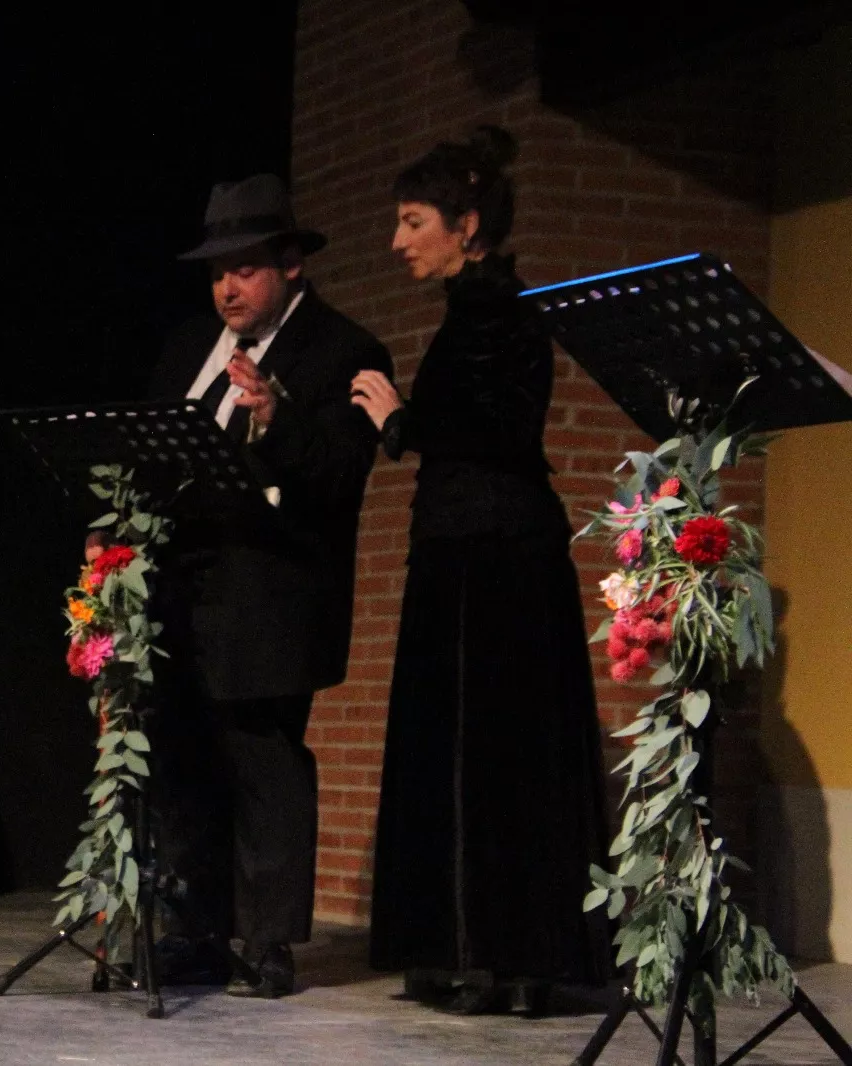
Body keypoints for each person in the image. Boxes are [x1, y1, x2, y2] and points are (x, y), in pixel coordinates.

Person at [350, 127, 609, 1013]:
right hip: (477, 549)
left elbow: (501, 434)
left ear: (465, 225)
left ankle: (501, 953)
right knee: (478, 753)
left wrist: (400, 419)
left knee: (490, 753)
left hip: (492, 559)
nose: (397, 240)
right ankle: (479, 949)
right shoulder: (476, 312)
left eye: (412, 220)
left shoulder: (499, 311)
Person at [138, 174, 392, 997]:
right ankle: (196, 930)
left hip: (271, 593)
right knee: (183, 759)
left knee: (263, 762)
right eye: (216, 272)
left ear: (288, 263)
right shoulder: (187, 349)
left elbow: (344, 473)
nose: (226, 287)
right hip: (183, 588)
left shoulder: (343, 350)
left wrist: (279, 422)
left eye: (243, 268)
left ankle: (268, 940)